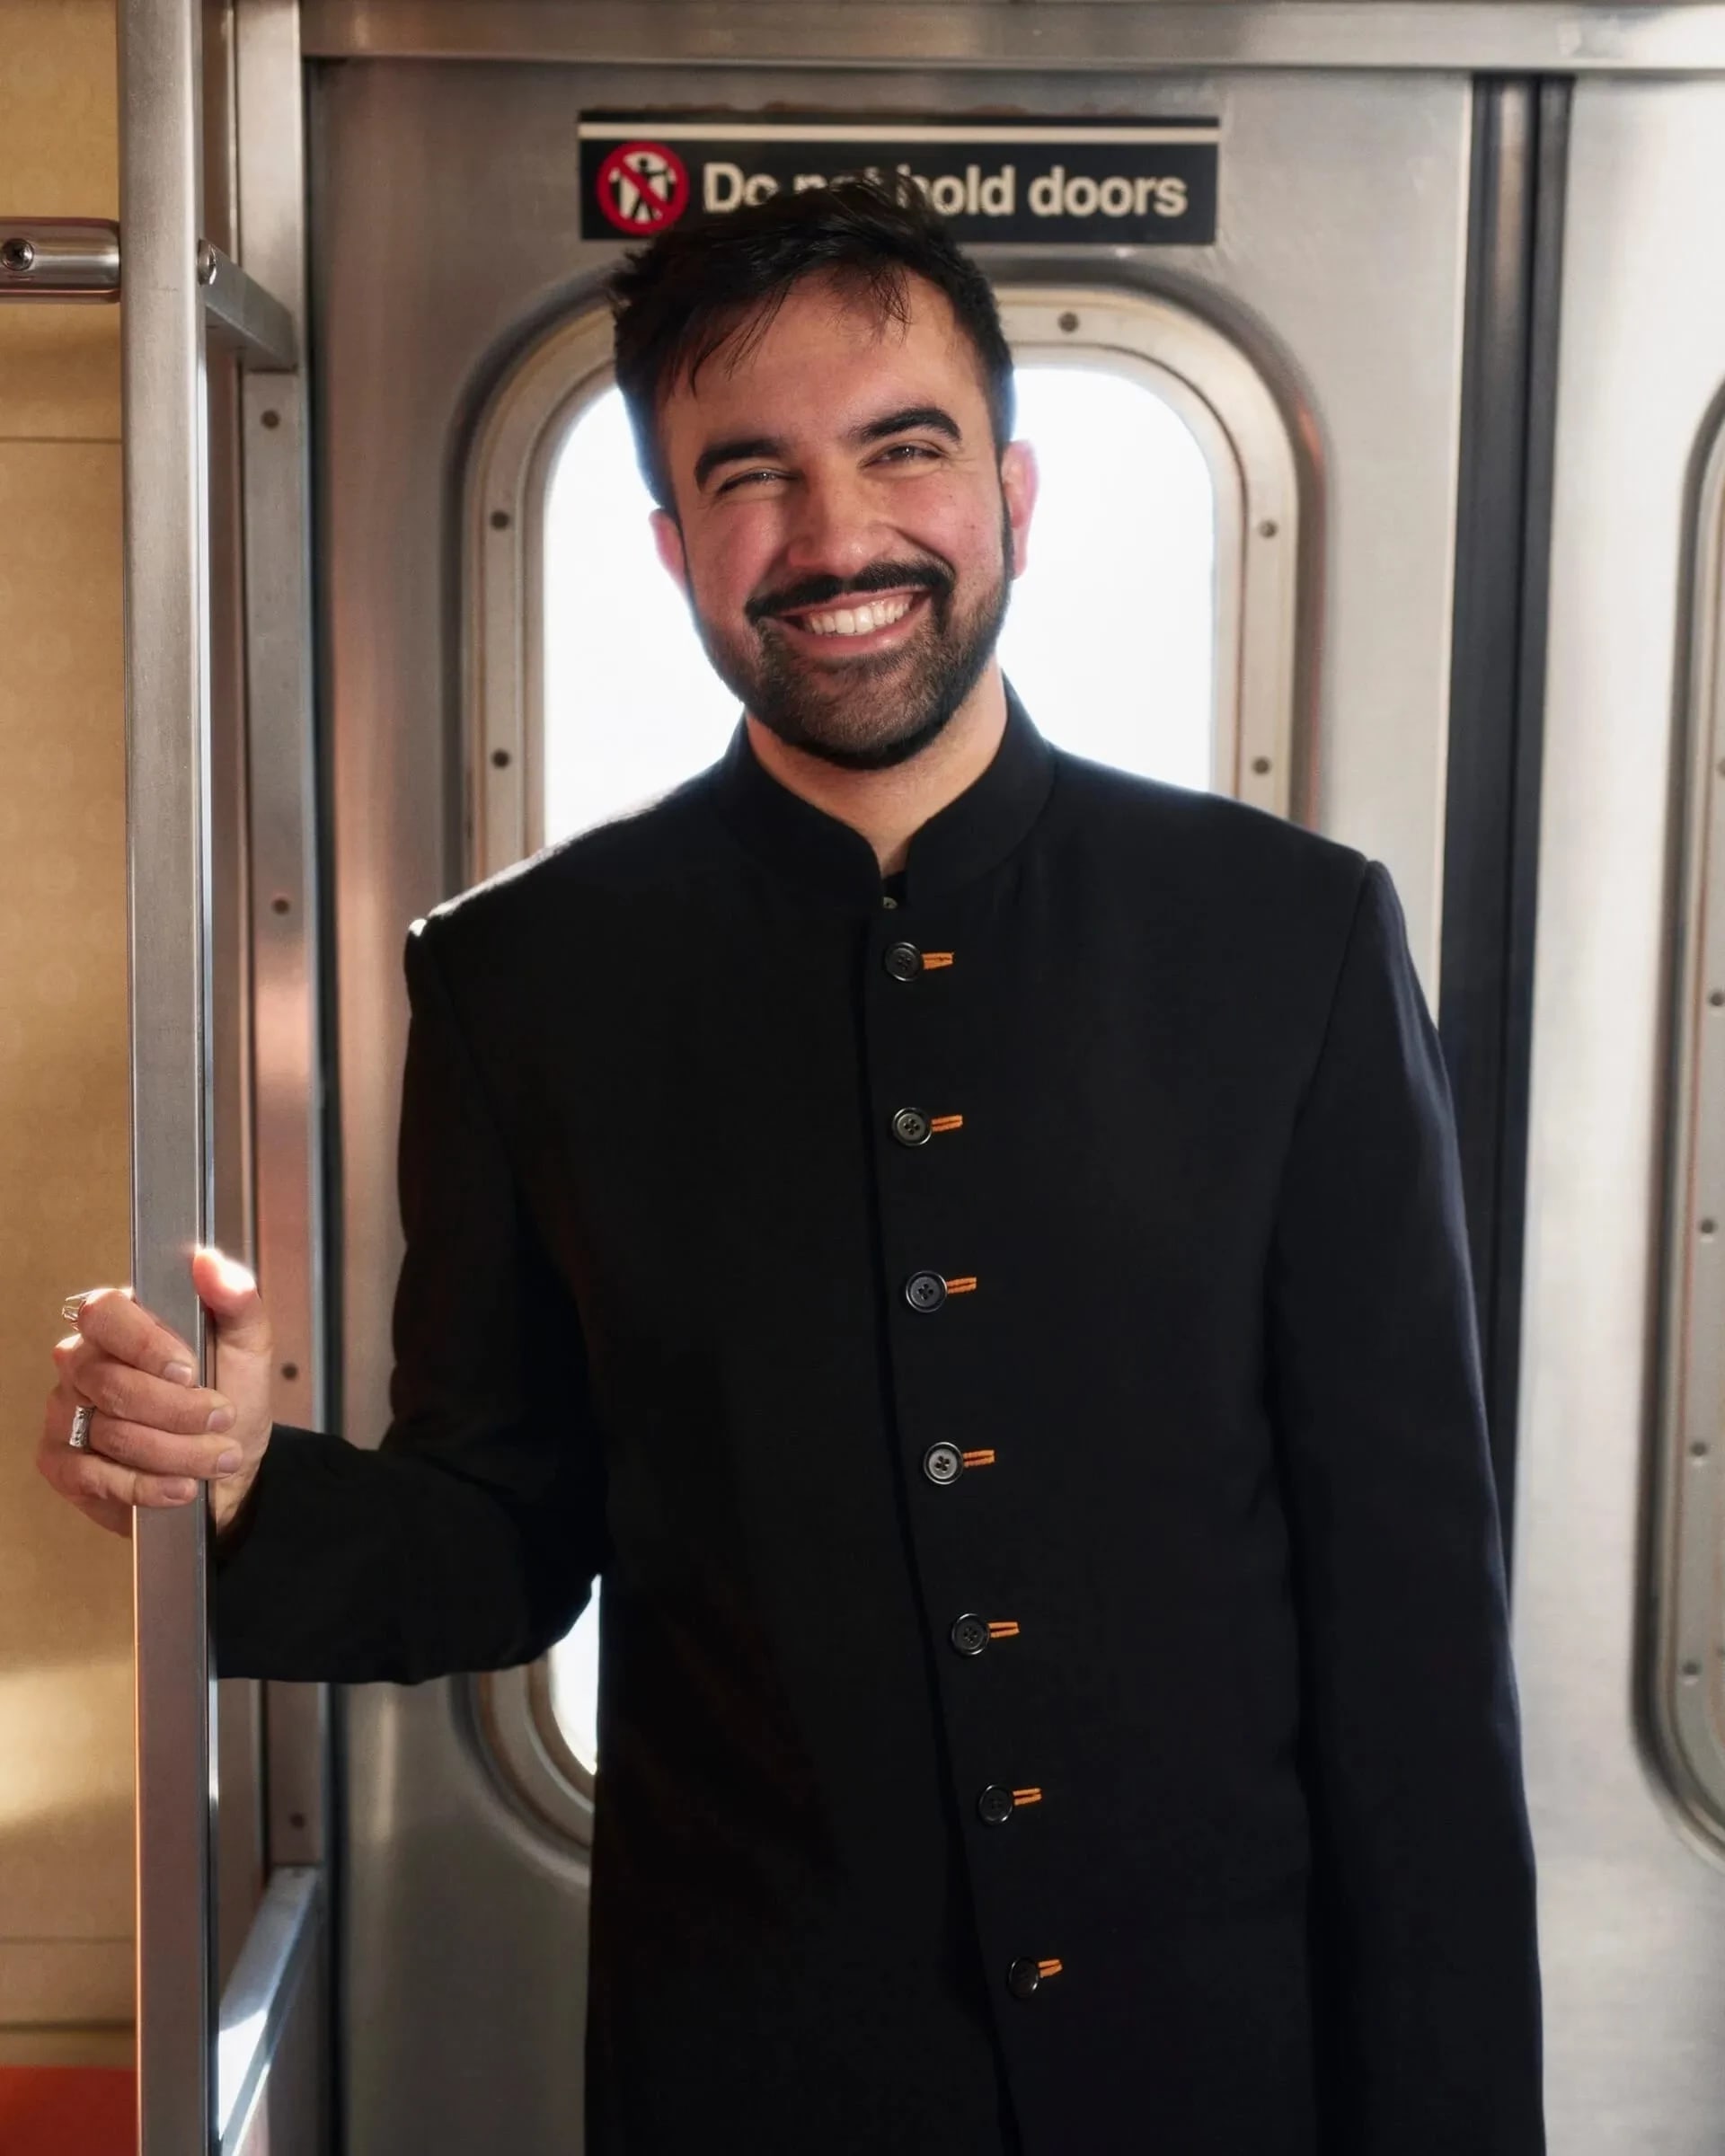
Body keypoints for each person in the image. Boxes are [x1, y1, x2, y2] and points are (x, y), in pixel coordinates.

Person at [39, 178, 1544, 2153]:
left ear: (1012, 492)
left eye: (901, 451)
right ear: (671, 547)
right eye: (750, 478)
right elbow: (505, 1534)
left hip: (1225, 2067)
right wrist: (239, 1490)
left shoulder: (1295, 943)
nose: (837, 539)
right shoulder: (521, 984)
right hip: (756, 2073)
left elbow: (1414, 1641)